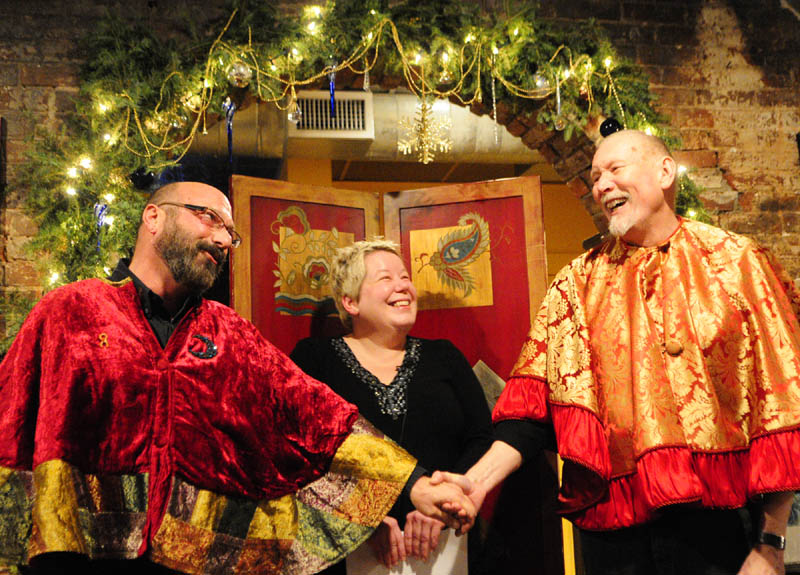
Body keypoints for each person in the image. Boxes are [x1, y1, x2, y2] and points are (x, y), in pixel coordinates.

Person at [0, 181, 476, 575]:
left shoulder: (229, 335)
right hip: (77, 556)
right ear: (153, 217)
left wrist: (414, 484)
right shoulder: (72, 310)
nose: (224, 239)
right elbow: (9, 419)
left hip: (192, 563)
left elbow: (318, 415)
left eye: (230, 231)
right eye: (208, 217)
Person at [433, 130, 800, 575]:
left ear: (665, 172)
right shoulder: (577, 284)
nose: (602, 185)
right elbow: (529, 413)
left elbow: (782, 409)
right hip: (614, 536)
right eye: (595, 177)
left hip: (717, 532)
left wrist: (770, 543)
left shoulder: (736, 263)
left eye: (615, 169)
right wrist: (475, 483)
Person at [290, 239, 494, 573]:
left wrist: (440, 505)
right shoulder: (314, 358)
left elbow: (481, 438)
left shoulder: (444, 355)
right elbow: (299, 452)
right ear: (350, 302)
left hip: (448, 545)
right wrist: (362, 516)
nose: (402, 287)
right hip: (342, 549)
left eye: (405, 277)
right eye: (385, 279)